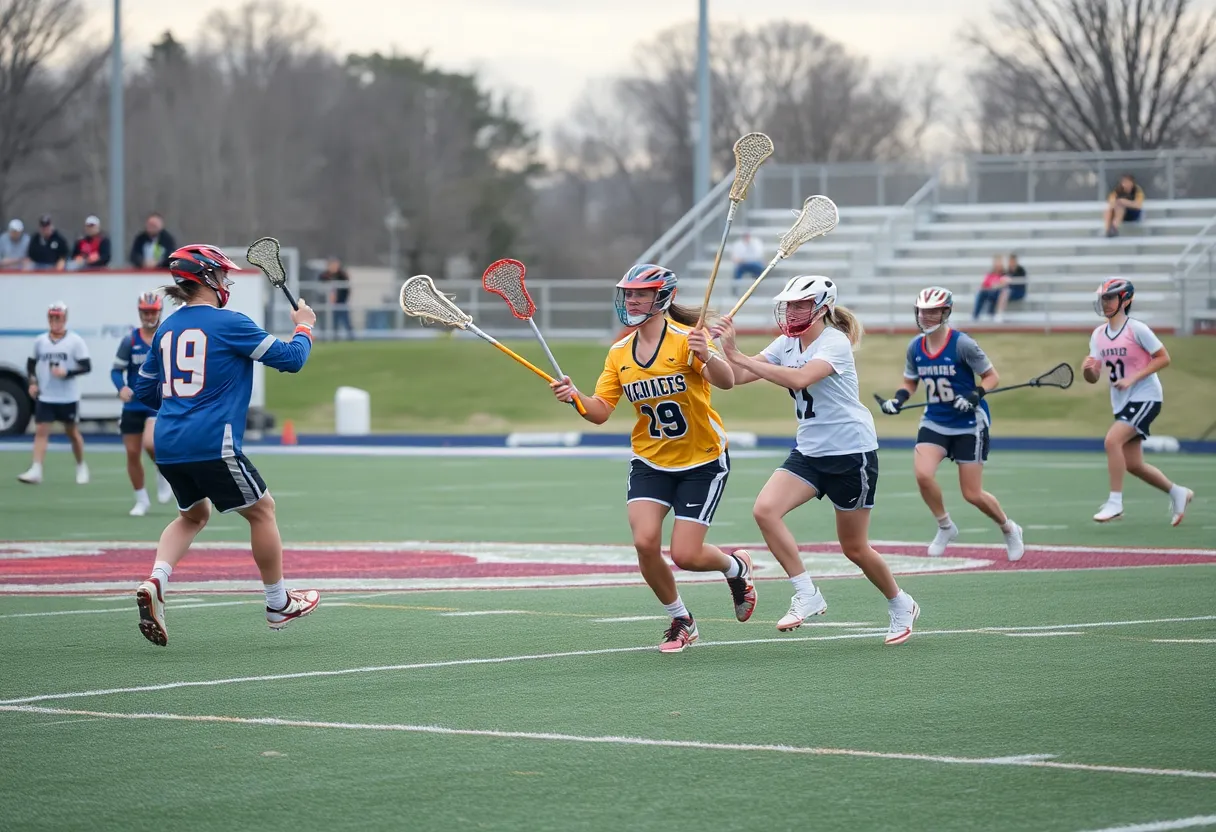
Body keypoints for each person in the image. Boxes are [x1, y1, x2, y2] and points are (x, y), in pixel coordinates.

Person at [549, 263, 752, 653]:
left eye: (641, 294)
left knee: (686, 555)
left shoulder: (688, 340)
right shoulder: (619, 353)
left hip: (702, 461)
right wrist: (575, 397)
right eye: (629, 294)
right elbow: (600, 411)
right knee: (644, 543)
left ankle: (736, 567)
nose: (632, 301)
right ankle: (681, 619)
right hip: (650, 461)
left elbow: (726, 381)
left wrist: (707, 355)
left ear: (663, 298)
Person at [710, 275, 920, 644]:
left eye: (801, 304)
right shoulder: (786, 342)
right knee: (765, 510)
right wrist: (708, 352)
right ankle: (807, 592)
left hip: (850, 453)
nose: (792, 311)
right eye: (789, 304)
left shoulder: (834, 342)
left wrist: (737, 354)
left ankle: (901, 603)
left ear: (822, 308)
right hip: (809, 452)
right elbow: (737, 376)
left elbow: (800, 378)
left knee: (854, 547)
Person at [132, 244, 320, 646]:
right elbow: (291, 359)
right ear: (207, 278)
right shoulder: (230, 322)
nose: (227, 282)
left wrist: (182, 407)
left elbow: (144, 390)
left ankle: (156, 579)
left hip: (168, 442)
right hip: (212, 441)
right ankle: (278, 602)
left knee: (192, 515)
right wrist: (304, 327)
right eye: (222, 275)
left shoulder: (166, 328)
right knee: (262, 511)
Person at [878, 287, 1024, 562]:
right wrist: (898, 399)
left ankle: (1008, 527)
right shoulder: (915, 346)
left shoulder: (962, 344)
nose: (925, 316)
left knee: (972, 494)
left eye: (932, 311)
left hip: (969, 424)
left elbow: (991, 377)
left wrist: (975, 394)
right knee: (923, 474)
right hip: (934, 420)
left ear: (946, 312)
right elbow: (910, 381)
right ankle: (945, 526)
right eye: (922, 311)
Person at [1082, 278, 1193, 525]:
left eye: (1110, 297)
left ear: (1125, 300)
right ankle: (1178, 492)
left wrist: (1133, 378)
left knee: (1112, 440)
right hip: (1122, 402)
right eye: (1103, 298)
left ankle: (1115, 503)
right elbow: (1093, 376)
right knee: (1133, 464)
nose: (1105, 302)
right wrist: (1088, 370)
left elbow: (1163, 358)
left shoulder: (1137, 329)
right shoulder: (1098, 334)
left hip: (1146, 396)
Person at [111, 291, 174, 516]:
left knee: (151, 443)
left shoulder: (166, 338)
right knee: (132, 452)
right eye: (145, 312)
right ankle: (141, 499)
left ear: (160, 312)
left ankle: (163, 473)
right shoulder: (130, 340)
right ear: (139, 313)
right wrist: (121, 388)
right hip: (133, 405)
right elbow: (116, 370)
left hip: (156, 403)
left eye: (153, 312)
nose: (149, 316)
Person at [17, 302, 91, 485]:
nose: (55, 322)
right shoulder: (40, 341)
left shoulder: (75, 341)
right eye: (52, 318)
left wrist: (67, 372)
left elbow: (86, 366)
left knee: (72, 432)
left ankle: (81, 465)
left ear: (65, 319)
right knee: (41, 431)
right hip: (47, 395)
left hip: (68, 396)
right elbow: (31, 364)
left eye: (58, 318)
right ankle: (36, 469)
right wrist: (33, 383)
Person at [320, 256, 353, 339]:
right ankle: (331, 337)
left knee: (345, 320)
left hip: (341, 302)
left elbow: (346, 288)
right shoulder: (325, 275)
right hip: (327, 303)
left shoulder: (342, 275)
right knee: (330, 321)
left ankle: (351, 337)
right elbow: (320, 285)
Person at [994, 253, 1028, 321]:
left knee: (1005, 292)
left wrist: (1010, 280)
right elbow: (1003, 280)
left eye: (1012, 261)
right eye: (1010, 261)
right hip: (1009, 291)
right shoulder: (1007, 271)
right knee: (996, 292)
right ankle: (992, 313)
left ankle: (999, 313)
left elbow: (1021, 282)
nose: (1011, 262)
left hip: (1018, 291)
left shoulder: (1020, 270)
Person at [973, 255, 1005, 320]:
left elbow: (1004, 284)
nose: (997, 265)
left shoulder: (1004, 274)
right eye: (996, 263)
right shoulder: (990, 274)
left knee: (996, 293)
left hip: (998, 292)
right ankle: (975, 315)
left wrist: (996, 285)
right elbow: (984, 284)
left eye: (999, 263)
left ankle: (992, 313)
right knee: (981, 293)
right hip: (989, 291)